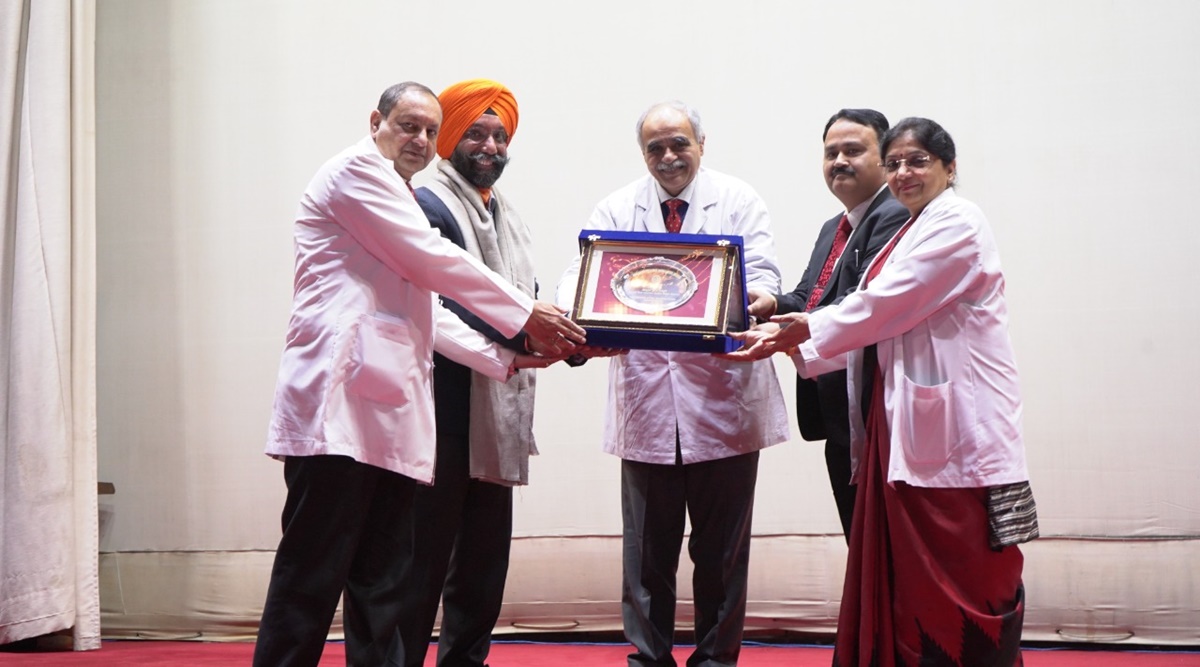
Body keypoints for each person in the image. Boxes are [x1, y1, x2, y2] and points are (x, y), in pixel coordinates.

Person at [253, 81, 585, 667]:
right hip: (336, 414)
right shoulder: (355, 174)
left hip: (389, 418)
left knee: (383, 586)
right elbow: (432, 258)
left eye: (431, 131)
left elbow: (429, 311)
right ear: (376, 121)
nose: (422, 140)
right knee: (310, 578)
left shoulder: (401, 194)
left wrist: (506, 359)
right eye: (410, 125)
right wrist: (526, 312)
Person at [728, 117, 1038, 666]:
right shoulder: (906, 230)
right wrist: (791, 338)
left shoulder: (959, 222)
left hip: (961, 432)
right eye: (895, 163)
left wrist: (802, 331)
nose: (903, 173)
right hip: (907, 426)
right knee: (906, 586)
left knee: (967, 576)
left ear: (950, 167)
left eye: (917, 161)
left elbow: (886, 304)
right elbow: (872, 318)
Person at [556, 101, 789, 667]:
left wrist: (754, 300)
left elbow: (762, 273)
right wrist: (576, 311)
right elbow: (579, 275)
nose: (668, 156)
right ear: (643, 154)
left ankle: (716, 660)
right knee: (645, 560)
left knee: (723, 557)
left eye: (679, 143)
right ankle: (647, 660)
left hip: (723, 405)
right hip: (648, 407)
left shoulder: (737, 199)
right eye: (655, 147)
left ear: (701, 144)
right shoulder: (617, 207)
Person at [394, 78, 545, 667]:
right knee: (422, 567)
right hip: (443, 415)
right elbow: (449, 303)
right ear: (450, 138)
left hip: (494, 411)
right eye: (476, 133)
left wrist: (572, 336)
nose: (490, 146)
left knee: (482, 568)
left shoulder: (508, 216)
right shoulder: (428, 205)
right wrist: (536, 333)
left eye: (500, 135)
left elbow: (525, 297)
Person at [746, 109, 909, 541]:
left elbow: (859, 306)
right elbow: (810, 296)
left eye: (853, 150)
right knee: (860, 535)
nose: (839, 161)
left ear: (886, 157)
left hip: (872, 406)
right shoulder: (833, 226)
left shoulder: (892, 216)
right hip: (837, 408)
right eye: (830, 152)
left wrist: (788, 332)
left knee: (880, 540)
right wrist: (771, 303)